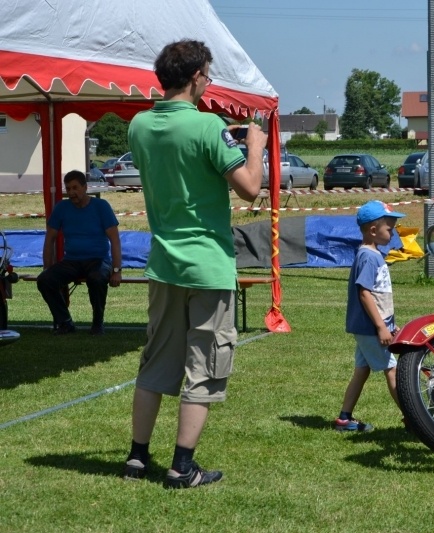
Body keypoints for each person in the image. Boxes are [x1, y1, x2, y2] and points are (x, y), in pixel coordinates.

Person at [123, 39, 267, 489]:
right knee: (204, 365)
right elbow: (250, 188)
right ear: (197, 77)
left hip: (164, 263)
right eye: (207, 73)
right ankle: (182, 466)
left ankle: (136, 458)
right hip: (207, 264)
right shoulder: (208, 127)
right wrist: (255, 144)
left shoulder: (139, 126)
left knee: (154, 363)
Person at [334, 200, 405, 432]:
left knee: (362, 370)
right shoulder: (369, 257)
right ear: (373, 230)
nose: (392, 233)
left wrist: (389, 324)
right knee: (392, 370)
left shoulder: (373, 254)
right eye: (389, 229)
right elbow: (364, 293)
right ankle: (414, 420)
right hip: (370, 329)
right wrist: (381, 327)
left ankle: (344, 418)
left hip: (370, 327)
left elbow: (378, 296)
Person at [37, 170, 121, 335]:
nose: (71, 192)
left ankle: (98, 323)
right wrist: (47, 267)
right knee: (44, 280)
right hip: (72, 261)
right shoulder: (61, 208)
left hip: (99, 260)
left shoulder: (101, 206)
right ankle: (65, 322)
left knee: (96, 277)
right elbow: (50, 239)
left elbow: (115, 239)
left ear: (85, 187)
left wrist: (117, 270)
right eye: (68, 189)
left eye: (75, 188)